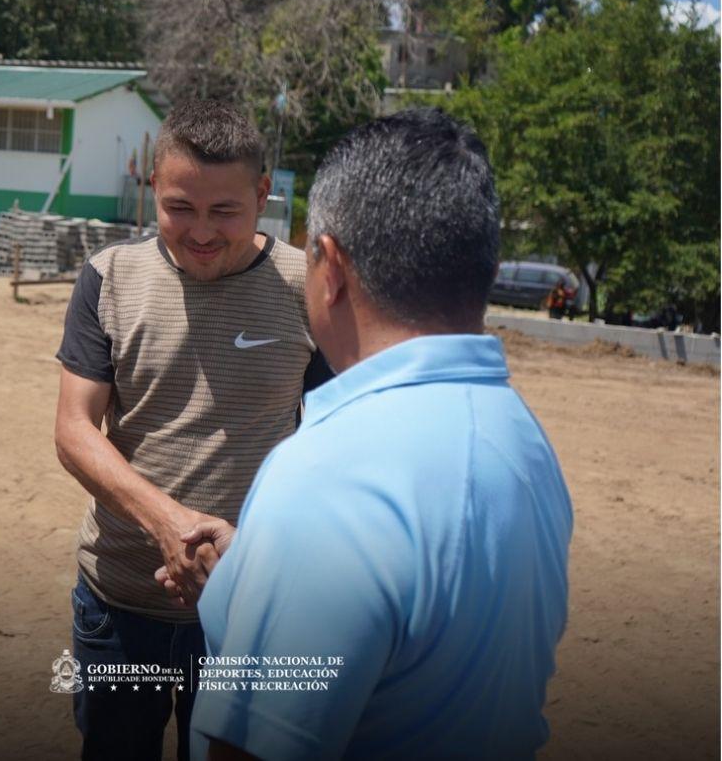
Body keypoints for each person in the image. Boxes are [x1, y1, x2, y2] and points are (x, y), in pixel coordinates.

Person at [190, 108, 574, 761]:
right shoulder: (523, 439)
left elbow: (251, 748)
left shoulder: (329, 476)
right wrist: (262, 565)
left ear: (330, 267)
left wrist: (290, 541)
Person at [54, 99, 331, 760]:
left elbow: (334, 446)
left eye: (224, 211)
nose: (200, 231)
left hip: (251, 607)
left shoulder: (311, 289)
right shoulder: (108, 277)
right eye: (179, 207)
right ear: (154, 188)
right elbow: (73, 429)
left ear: (262, 194)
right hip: (119, 603)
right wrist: (166, 523)